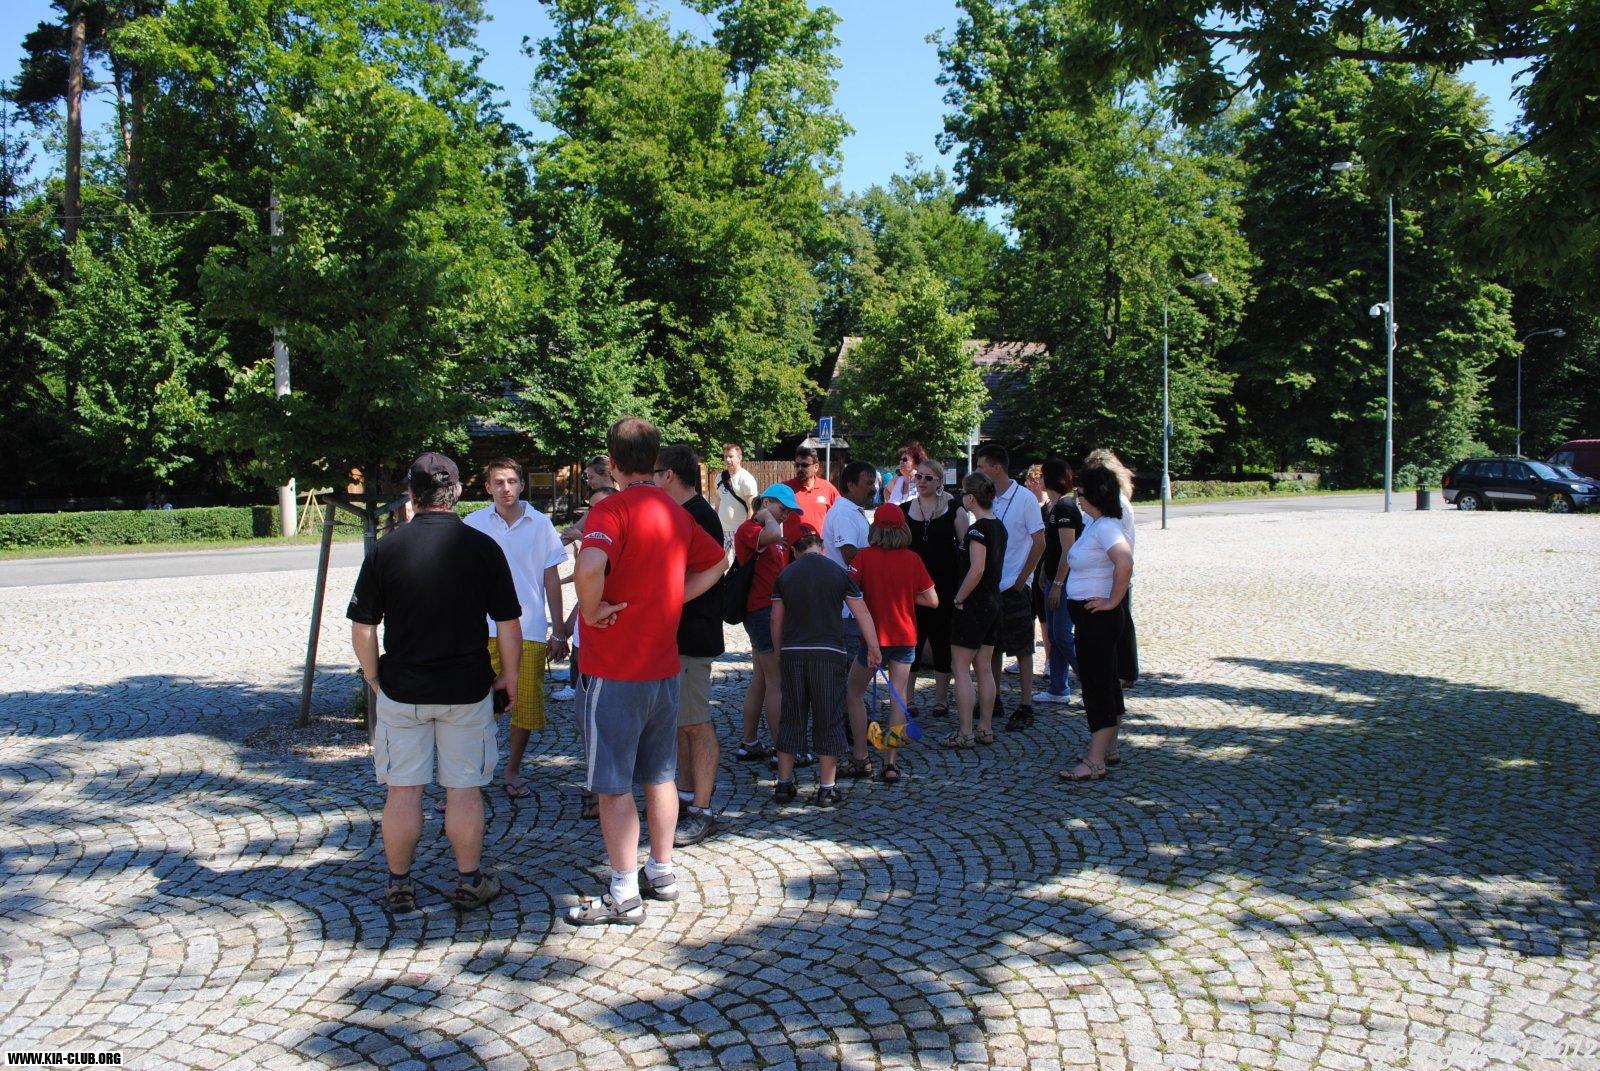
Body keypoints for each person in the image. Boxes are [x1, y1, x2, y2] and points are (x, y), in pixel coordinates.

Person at [565, 418, 728, 926]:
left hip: (614, 668)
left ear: (612, 462)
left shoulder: (610, 509)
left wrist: (590, 609)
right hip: (663, 666)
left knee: (613, 784)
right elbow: (718, 562)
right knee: (660, 776)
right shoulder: (674, 510)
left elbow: (589, 565)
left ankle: (622, 891)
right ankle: (661, 870)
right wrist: (674, 597)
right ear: (654, 461)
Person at [347, 452, 521, 913]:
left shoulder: (385, 549)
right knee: (463, 789)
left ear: (411, 494)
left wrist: (373, 677)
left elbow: (363, 627)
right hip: (466, 690)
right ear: (457, 492)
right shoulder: (483, 547)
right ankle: (469, 881)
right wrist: (510, 676)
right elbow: (508, 623)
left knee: (402, 789)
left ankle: (399, 884)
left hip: (404, 688)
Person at [463, 458, 569, 800]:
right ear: (488, 487)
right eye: (498, 482)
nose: (505, 488)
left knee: (524, 705)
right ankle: (468, 778)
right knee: (476, 706)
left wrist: (559, 631)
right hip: (482, 629)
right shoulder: (473, 524)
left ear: (522, 484)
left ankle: (512, 769)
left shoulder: (541, 524)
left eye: (511, 481)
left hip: (529, 627)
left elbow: (551, 578)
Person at [769, 531, 881, 806]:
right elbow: (861, 612)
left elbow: (775, 619)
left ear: (796, 551)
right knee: (829, 717)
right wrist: (873, 647)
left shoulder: (786, 575)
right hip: (829, 653)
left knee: (791, 716)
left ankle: (784, 784)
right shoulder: (837, 572)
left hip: (794, 652)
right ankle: (826, 789)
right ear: (821, 547)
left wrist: (779, 652)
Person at [652, 444, 725, 846]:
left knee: (696, 723)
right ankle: (683, 797)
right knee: (680, 722)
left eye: (654, 472)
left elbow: (713, 569)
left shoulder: (699, 516)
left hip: (694, 636)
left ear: (668, 475)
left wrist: (668, 600)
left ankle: (702, 809)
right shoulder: (682, 512)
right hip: (677, 635)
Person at [846, 504, 936, 784]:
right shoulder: (913, 559)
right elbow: (932, 600)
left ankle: (861, 757)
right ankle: (891, 764)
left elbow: (847, 590)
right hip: (905, 637)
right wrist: (906, 596)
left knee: (853, 693)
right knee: (898, 697)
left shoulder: (863, 557)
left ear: (875, 528)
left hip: (873, 638)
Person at [1058, 457, 1133, 782]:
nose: (1078, 498)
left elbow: (1125, 562)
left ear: (1095, 495)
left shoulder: (1106, 527)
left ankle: (1095, 760)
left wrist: (1113, 600)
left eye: (1081, 493)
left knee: (1097, 686)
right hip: (1092, 618)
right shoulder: (1096, 524)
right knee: (1106, 682)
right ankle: (1109, 748)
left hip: (1098, 619)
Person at [973, 444, 1045, 731]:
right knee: (992, 647)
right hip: (991, 586)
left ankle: (1025, 705)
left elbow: (1039, 541)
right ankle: (994, 699)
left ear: (996, 468)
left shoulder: (1025, 499)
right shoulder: (987, 498)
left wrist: (1021, 579)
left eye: (981, 466)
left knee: (1023, 648)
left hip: (1014, 585)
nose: (978, 471)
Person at [732, 484, 803, 764]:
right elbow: (772, 533)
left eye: (789, 512)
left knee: (762, 679)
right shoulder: (750, 529)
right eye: (782, 509)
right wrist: (766, 516)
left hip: (765, 611)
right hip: (762, 613)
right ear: (767, 503)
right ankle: (783, 750)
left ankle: (749, 743)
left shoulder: (764, 530)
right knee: (776, 681)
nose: (785, 516)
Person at [945, 472, 1006, 747]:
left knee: (960, 667)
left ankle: (966, 731)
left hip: (975, 604)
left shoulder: (977, 530)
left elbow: (977, 569)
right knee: (984, 668)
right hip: (993, 602)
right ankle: (985, 728)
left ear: (970, 498)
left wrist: (959, 597)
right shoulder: (999, 526)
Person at [905, 457, 966, 717]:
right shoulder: (904, 509)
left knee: (942, 641)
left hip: (945, 586)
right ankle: (907, 699)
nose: (921, 481)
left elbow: (965, 550)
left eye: (928, 478)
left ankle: (941, 699)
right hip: (912, 589)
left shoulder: (954, 509)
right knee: (912, 643)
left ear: (940, 481)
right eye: (918, 476)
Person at [1084, 448, 1139, 687]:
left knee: (1119, 626)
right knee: (1121, 625)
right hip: (1107, 572)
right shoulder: (1114, 501)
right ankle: (1122, 672)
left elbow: (1117, 547)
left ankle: (1122, 673)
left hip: (1110, 573)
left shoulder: (1117, 503)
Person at [1033, 457, 1084, 705]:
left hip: (1065, 583)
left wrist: (1058, 584)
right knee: (1053, 635)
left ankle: (1093, 682)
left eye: (1043, 475)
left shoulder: (1065, 508)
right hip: (1052, 578)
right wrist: (1044, 570)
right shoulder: (1051, 507)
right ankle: (1058, 688)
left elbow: (1068, 550)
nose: (1040, 479)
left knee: (1063, 635)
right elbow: (1051, 548)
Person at [823, 460, 876, 570]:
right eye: (869, 483)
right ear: (851, 485)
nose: (874, 489)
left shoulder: (849, 509)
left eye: (873, 484)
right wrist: (880, 553)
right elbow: (850, 557)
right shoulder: (844, 513)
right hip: (846, 579)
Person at [783, 446, 838, 534]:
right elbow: (766, 511)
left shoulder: (827, 487)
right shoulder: (785, 488)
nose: (800, 469)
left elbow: (841, 514)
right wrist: (776, 538)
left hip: (820, 542)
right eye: (797, 465)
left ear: (816, 467)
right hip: (793, 543)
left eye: (805, 465)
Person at [715, 443, 759, 553]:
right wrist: (715, 523)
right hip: (722, 529)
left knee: (740, 561)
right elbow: (718, 501)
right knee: (717, 560)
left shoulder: (746, 479)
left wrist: (746, 530)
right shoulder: (720, 477)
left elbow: (752, 508)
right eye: (725, 456)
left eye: (731, 456)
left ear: (739, 458)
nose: (727, 460)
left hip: (738, 530)